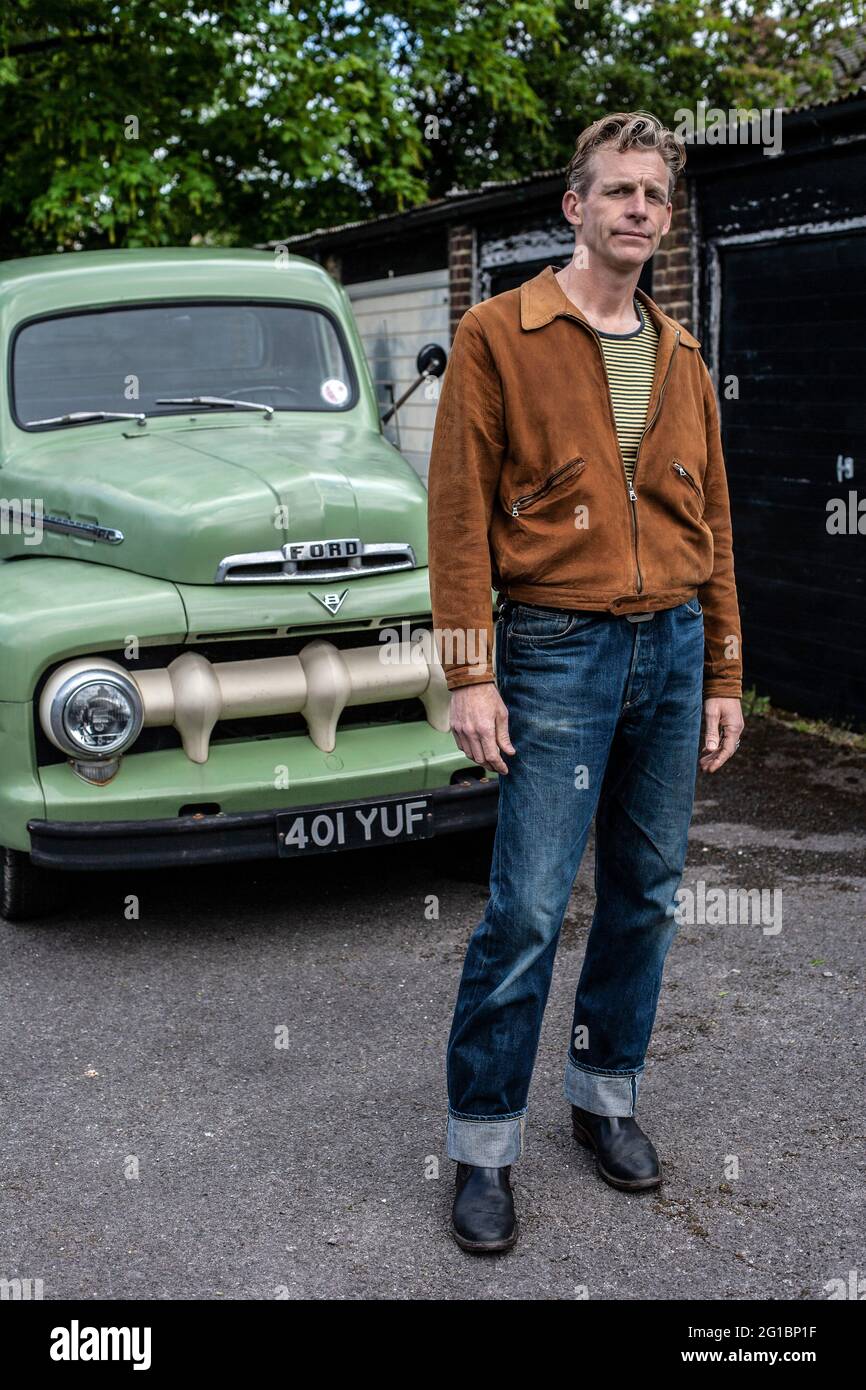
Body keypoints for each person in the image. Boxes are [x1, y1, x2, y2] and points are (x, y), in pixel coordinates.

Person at [426, 111, 745, 1254]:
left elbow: (708, 527)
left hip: (667, 647)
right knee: (522, 907)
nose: (638, 212)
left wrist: (719, 668)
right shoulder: (495, 335)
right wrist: (470, 671)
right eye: (618, 192)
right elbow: (457, 519)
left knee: (646, 895)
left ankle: (603, 1099)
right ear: (574, 206)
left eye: (653, 196)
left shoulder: (681, 355)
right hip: (554, 650)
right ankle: (480, 1148)